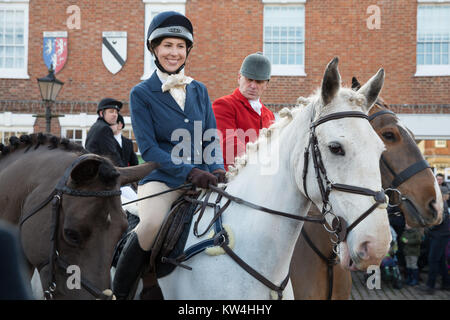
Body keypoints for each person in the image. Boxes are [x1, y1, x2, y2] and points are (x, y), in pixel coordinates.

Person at [112, 11, 225, 300]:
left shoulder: (199, 90)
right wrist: (188, 171)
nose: (174, 53)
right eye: (167, 46)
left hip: (204, 177)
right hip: (162, 178)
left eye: (180, 46)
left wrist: (218, 169)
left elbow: (210, 136)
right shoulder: (141, 93)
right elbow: (149, 148)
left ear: (187, 51)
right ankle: (120, 293)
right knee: (150, 225)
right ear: (154, 49)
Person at [212, 52, 275, 170]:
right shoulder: (224, 105)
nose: (253, 86)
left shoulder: (269, 114)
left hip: (262, 176)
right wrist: (258, 164)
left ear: (266, 84)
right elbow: (229, 144)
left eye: (259, 81)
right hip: (232, 177)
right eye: (249, 79)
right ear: (239, 77)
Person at [418, 185, 450, 294]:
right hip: (439, 234)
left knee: (433, 260)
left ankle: (430, 287)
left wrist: (428, 227)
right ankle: (446, 283)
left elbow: (440, 219)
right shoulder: (437, 202)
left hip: (440, 235)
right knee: (440, 260)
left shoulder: (440, 203)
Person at [85, 98, 124, 167]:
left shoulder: (97, 126)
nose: (115, 115)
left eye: (116, 112)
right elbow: (112, 155)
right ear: (101, 113)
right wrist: (126, 174)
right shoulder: (104, 129)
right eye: (111, 111)